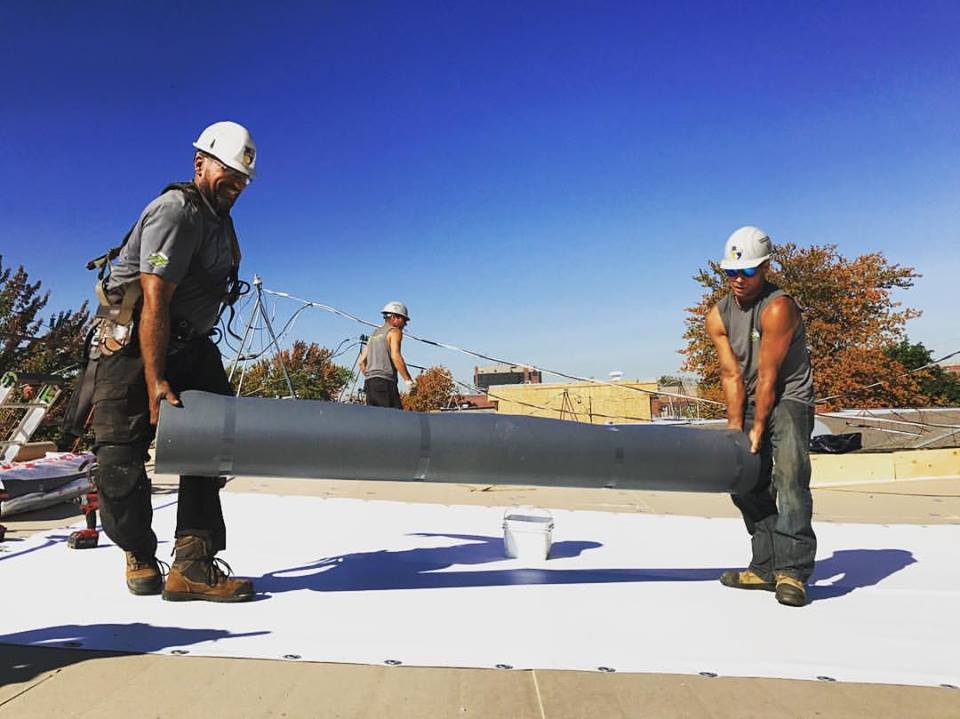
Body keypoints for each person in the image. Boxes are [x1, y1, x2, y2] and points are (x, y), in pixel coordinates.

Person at [90, 121, 257, 602]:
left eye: (244, 179)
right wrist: (156, 378)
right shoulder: (175, 211)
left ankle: (192, 566)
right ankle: (139, 551)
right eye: (230, 172)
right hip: (132, 342)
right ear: (200, 163)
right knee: (120, 459)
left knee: (217, 440)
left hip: (189, 342)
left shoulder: (219, 220)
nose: (238, 184)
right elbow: (154, 300)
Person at [705, 226, 817, 607]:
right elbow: (731, 374)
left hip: (789, 398)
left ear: (766, 267)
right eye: (731, 272)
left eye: (748, 272)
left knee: (789, 479)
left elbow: (769, 375)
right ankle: (765, 566)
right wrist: (738, 430)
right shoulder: (717, 316)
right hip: (753, 396)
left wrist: (758, 426)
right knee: (745, 479)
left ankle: (793, 572)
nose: (738, 279)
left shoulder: (778, 307)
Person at [359, 302, 414, 408]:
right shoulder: (394, 332)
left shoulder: (373, 335)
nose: (405, 324)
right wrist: (408, 381)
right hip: (385, 383)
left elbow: (361, 362)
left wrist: (371, 376)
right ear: (394, 317)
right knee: (395, 419)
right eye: (404, 320)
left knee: (376, 420)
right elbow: (395, 356)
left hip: (370, 384)